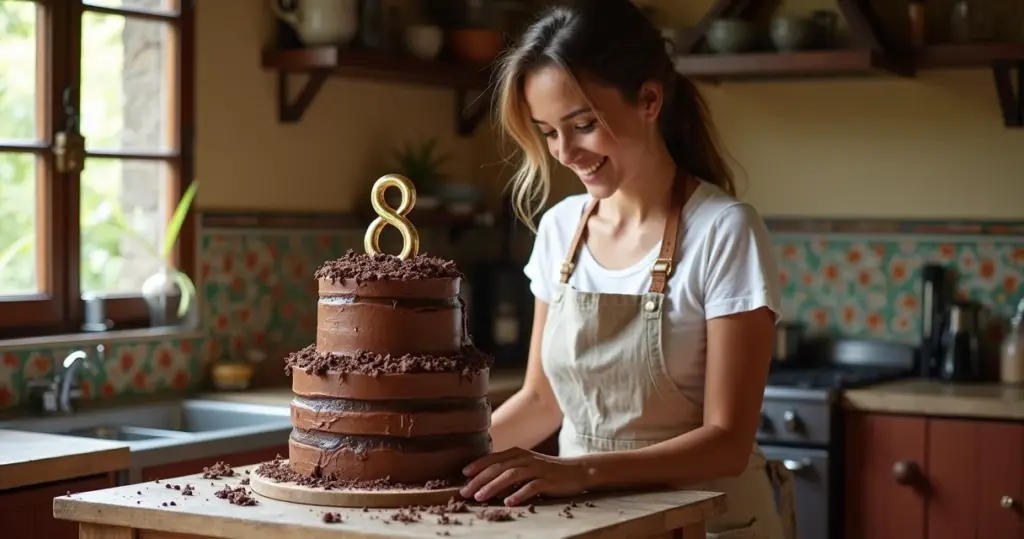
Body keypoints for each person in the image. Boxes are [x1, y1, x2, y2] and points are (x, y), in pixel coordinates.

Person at [458, 1, 796, 538]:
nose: (566, 152)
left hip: (711, 523)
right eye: (548, 132)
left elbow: (728, 441)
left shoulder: (724, 230)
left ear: (650, 100)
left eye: (583, 124)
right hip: (593, 525)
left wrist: (576, 472)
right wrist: (444, 461)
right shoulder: (559, 229)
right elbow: (542, 402)